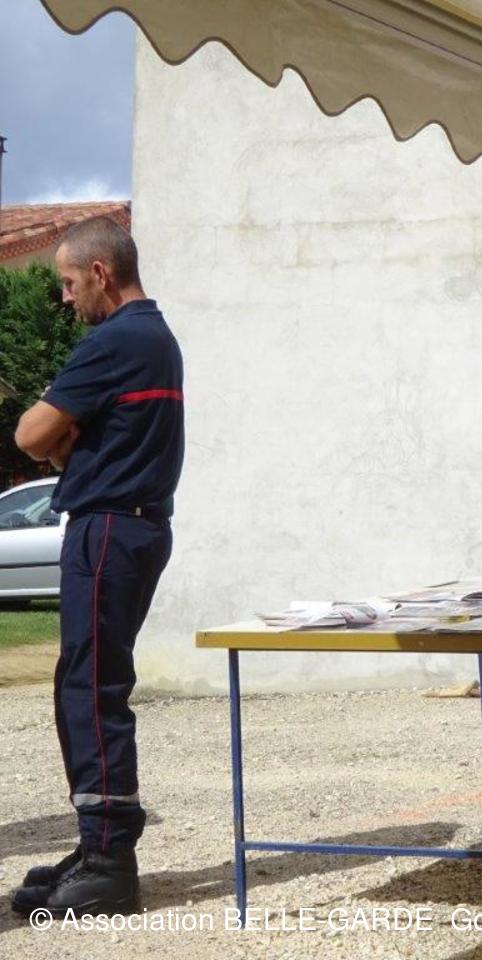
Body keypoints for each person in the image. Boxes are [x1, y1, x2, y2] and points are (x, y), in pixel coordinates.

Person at [11, 216, 184, 917]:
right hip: (132, 526)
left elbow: (31, 434)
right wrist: (69, 437)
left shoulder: (113, 341)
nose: (64, 297)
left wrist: (62, 436)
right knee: (87, 683)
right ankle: (96, 847)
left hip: (108, 528)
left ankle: (110, 861)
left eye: (67, 282)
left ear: (100, 274)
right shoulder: (156, 337)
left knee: (89, 689)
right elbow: (63, 439)